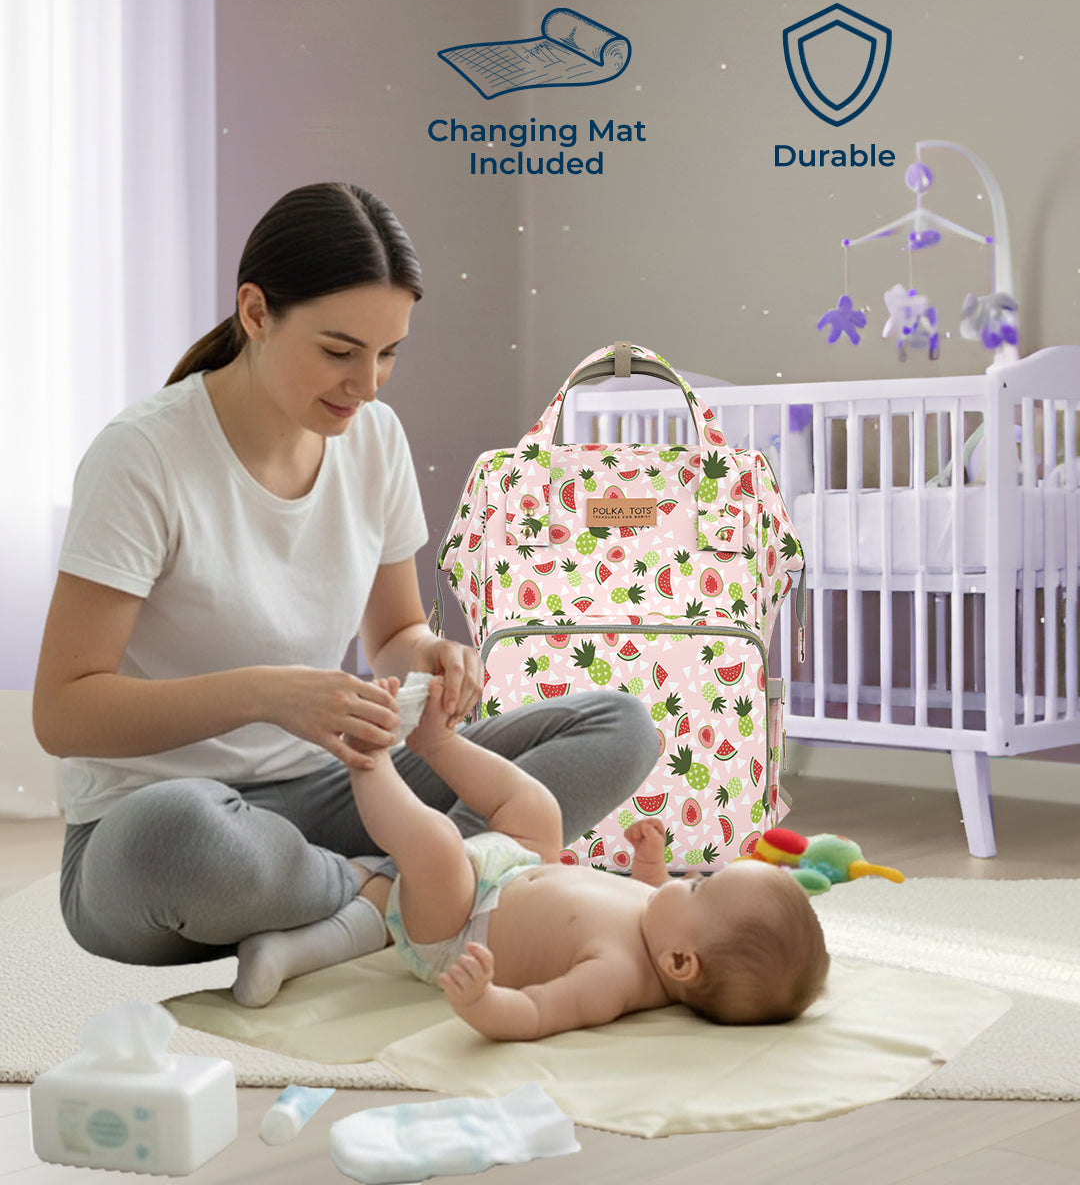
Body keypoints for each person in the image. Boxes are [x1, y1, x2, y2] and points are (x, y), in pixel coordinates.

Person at [32, 183, 658, 972]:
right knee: (178, 840)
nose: (367, 386)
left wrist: (430, 654)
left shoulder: (373, 440)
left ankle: (371, 900)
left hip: (334, 793)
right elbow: (63, 713)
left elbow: (392, 635)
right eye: (339, 351)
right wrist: (265, 694)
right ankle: (409, 893)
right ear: (256, 313)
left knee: (618, 725)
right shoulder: (144, 457)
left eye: (388, 352)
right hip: (154, 827)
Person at [237, 675, 830, 1036]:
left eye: (700, 888)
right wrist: (651, 864)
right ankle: (437, 743)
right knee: (539, 810)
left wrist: (484, 1001)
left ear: (680, 965)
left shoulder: (615, 979)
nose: (691, 877)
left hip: (456, 928)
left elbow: (540, 1013)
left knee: (438, 848)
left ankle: (368, 758)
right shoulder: (665, 926)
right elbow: (653, 895)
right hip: (514, 867)